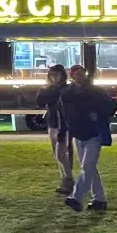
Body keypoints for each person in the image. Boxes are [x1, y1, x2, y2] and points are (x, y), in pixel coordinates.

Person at [60, 65, 117, 212]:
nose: (78, 76)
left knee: (87, 168)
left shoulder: (92, 91)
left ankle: (76, 197)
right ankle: (99, 199)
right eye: (75, 73)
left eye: (80, 73)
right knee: (90, 168)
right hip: (80, 133)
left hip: (92, 133)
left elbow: (112, 104)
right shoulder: (70, 92)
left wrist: (99, 115)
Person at [36, 64, 74, 195]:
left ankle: (68, 179)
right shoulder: (49, 89)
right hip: (52, 122)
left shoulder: (66, 89)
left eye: (56, 74)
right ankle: (64, 178)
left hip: (63, 124)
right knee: (57, 154)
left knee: (61, 153)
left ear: (62, 75)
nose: (54, 77)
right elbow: (40, 102)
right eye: (52, 75)